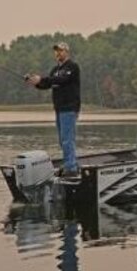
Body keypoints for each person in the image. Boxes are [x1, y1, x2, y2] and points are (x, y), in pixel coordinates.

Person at [25, 41, 80, 177]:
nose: (58, 53)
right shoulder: (55, 70)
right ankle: (71, 164)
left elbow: (62, 79)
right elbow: (47, 84)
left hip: (69, 108)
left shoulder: (72, 67)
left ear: (67, 52)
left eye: (61, 50)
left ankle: (71, 168)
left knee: (67, 139)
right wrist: (35, 82)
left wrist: (42, 79)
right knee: (62, 140)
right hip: (59, 109)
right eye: (56, 51)